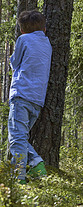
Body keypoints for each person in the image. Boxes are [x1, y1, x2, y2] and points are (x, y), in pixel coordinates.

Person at [8, 10, 52, 184]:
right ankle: (36, 165)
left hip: (21, 94)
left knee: (17, 139)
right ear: (44, 28)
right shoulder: (47, 43)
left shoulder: (23, 40)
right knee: (20, 137)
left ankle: (18, 180)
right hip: (37, 99)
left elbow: (14, 62)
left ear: (22, 30)